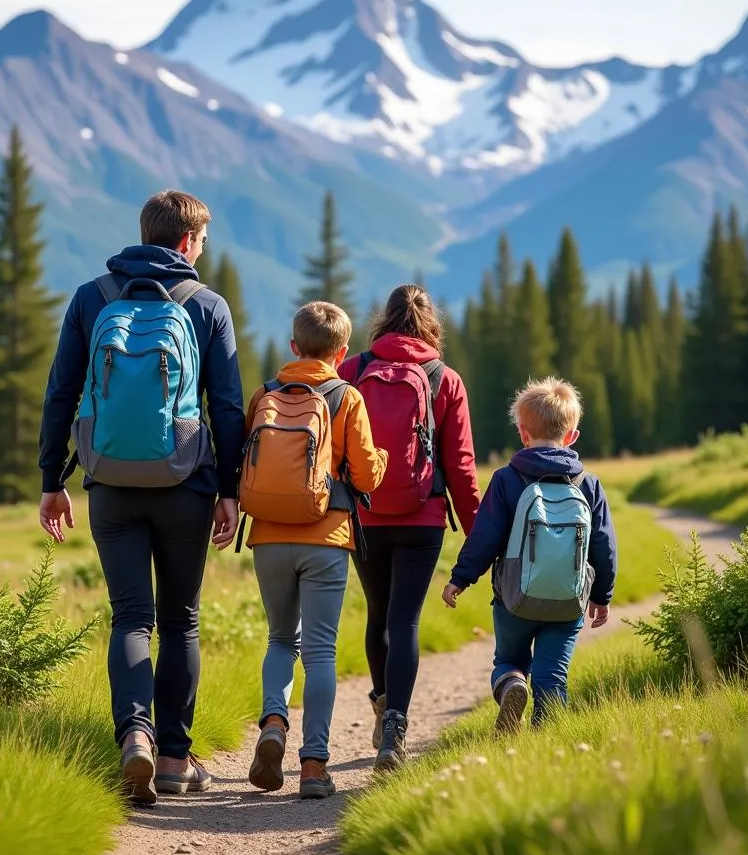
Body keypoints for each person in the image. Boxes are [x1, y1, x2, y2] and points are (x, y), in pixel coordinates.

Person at [38, 190, 244, 806]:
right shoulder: (205, 305)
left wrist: (54, 480)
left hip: (112, 483)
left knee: (131, 616)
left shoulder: (92, 297)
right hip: (186, 482)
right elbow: (227, 407)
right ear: (186, 241)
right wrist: (230, 490)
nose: (202, 250)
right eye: (202, 241)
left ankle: (135, 736)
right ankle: (177, 760)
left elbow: (61, 392)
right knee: (180, 618)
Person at [242, 301, 387, 799]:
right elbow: (367, 476)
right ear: (342, 352)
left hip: (268, 535)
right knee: (320, 651)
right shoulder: (347, 397)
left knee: (281, 639)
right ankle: (313, 767)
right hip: (326, 539)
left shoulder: (265, 393)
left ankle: (274, 724)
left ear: (292, 346)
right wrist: (381, 459)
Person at [338, 284, 480, 770]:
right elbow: (460, 465)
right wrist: (479, 530)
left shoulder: (352, 371)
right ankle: (395, 726)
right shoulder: (445, 379)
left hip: (366, 514)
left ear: (384, 320)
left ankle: (381, 705)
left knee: (378, 615)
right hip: (424, 517)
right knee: (405, 621)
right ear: (431, 324)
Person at [442, 377, 617, 732]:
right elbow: (603, 543)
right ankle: (547, 748)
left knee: (509, 659)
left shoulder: (507, 479)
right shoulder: (589, 484)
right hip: (568, 601)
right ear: (572, 436)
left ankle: (511, 683)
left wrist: (460, 578)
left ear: (523, 433)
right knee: (552, 676)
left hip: (513, 599)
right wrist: (601, 595)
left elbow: (484, 538)